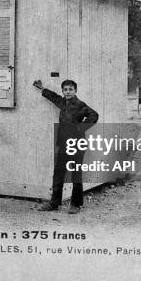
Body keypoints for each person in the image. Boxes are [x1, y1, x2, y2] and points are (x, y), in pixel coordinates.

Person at [33, 79, 98, 214]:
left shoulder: (80, 105)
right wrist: (42, 88)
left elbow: (94, 115)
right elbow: (53, 97)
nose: (67, 92)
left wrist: (80, 128)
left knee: (76, 175)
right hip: (64, 144)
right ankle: (54, 203)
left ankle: (76, 205)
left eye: (70, 89)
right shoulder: (63, 102)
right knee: (58, 174)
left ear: (75, 91)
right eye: (65, 90)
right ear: (63, 91)